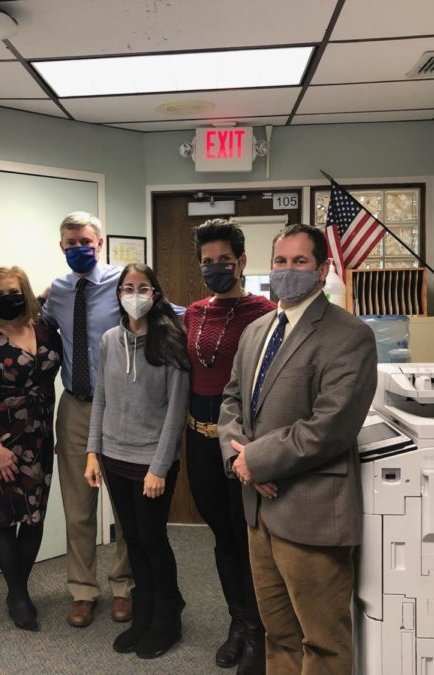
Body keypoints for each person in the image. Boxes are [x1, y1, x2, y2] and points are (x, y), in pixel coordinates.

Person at [218, 224, 377, 675]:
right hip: (258, 512)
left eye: (300, 262)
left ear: (323, 268)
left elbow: (331, 426)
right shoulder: (257, 330)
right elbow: (231, 402)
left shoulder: (349, 335)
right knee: (280, 636)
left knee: (322, 642)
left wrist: (257, 459)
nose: (288, 271)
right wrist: (239, 461)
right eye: (281, 262)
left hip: (310, 511)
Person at [84, 263, 190, 659]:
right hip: (114, 457)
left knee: (153, 540)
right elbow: (101, 399)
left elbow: (175, 412)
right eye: (127, 288)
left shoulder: (171, 342)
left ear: (155, 294)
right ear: (118, 294)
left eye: (142, 288)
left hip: (150, 462)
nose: (134, 294)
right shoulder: (110, 339)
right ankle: (144, 614)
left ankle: (168, 619)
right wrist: (93, 451)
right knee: (133, 540)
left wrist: (159, 467)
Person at [183, 219, 275, 673]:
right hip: (199, 440)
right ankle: (237, 623)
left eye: (224, 260)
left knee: (247, 538)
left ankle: (258, 633)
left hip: (240, 442)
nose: (216, 268)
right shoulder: (195, 313)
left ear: (241, 262)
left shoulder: (264, 312)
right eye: (207, 262)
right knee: (222, 537)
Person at [40, 211, 133, 628]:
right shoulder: (56, 292)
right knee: (78, 508)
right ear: (62, 247)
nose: (80, 249)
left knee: (125, 507)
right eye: (71, 243)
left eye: (86, 242)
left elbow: (167, 314)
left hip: (120, 407)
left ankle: (124, 586)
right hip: (75, 407)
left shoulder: (123, 282)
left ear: (100, 244)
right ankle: (82, 591)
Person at [0, 266, 61, 632]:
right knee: (4, 518)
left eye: (14, 292)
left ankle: (18, 591)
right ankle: (18, 594)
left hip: (39, 437)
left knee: (34, 516)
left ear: (27, 293)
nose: (8, 299)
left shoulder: (47, 331)